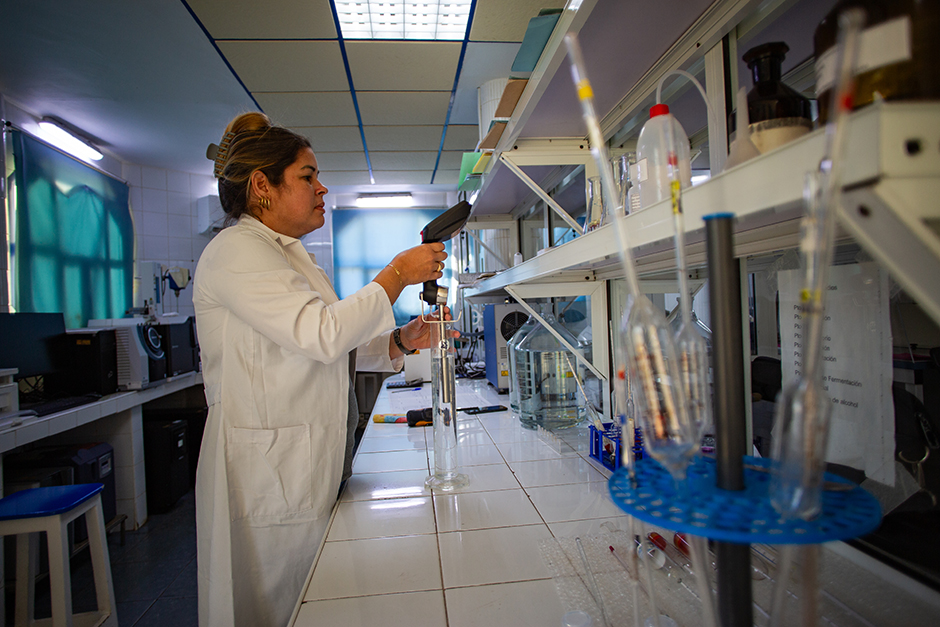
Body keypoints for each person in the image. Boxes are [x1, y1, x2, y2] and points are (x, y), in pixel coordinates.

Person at [193, 112, 453, 627]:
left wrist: (401, 338)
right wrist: (398, 273)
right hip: (265, 470)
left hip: (302, 460)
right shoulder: (236, 251)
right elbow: (322, 334)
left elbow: (327, 339)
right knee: (273, 606)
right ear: (262, 186)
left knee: (313, 599)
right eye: (308, 177)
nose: (322, 188)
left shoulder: (291, 256)